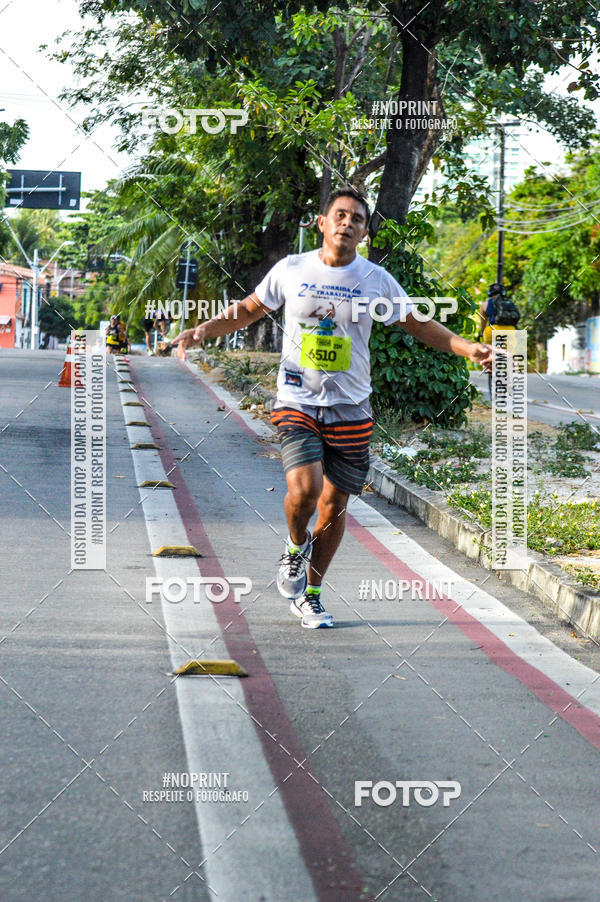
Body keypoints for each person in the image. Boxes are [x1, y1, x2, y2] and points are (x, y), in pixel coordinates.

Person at [173, 188, 493, 629]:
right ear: (322, 223)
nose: (347, 223)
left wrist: (465, 347)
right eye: (339, 215)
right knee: (304, 493)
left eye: (356, 219)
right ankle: (292, 545)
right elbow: (248, 309)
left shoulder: (375, 279)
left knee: (335, 506)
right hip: (297, 402)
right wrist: (203, 330)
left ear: (364, 232)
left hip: (351, 408)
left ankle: (312, 595)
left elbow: (416, 322)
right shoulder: (292, 269)